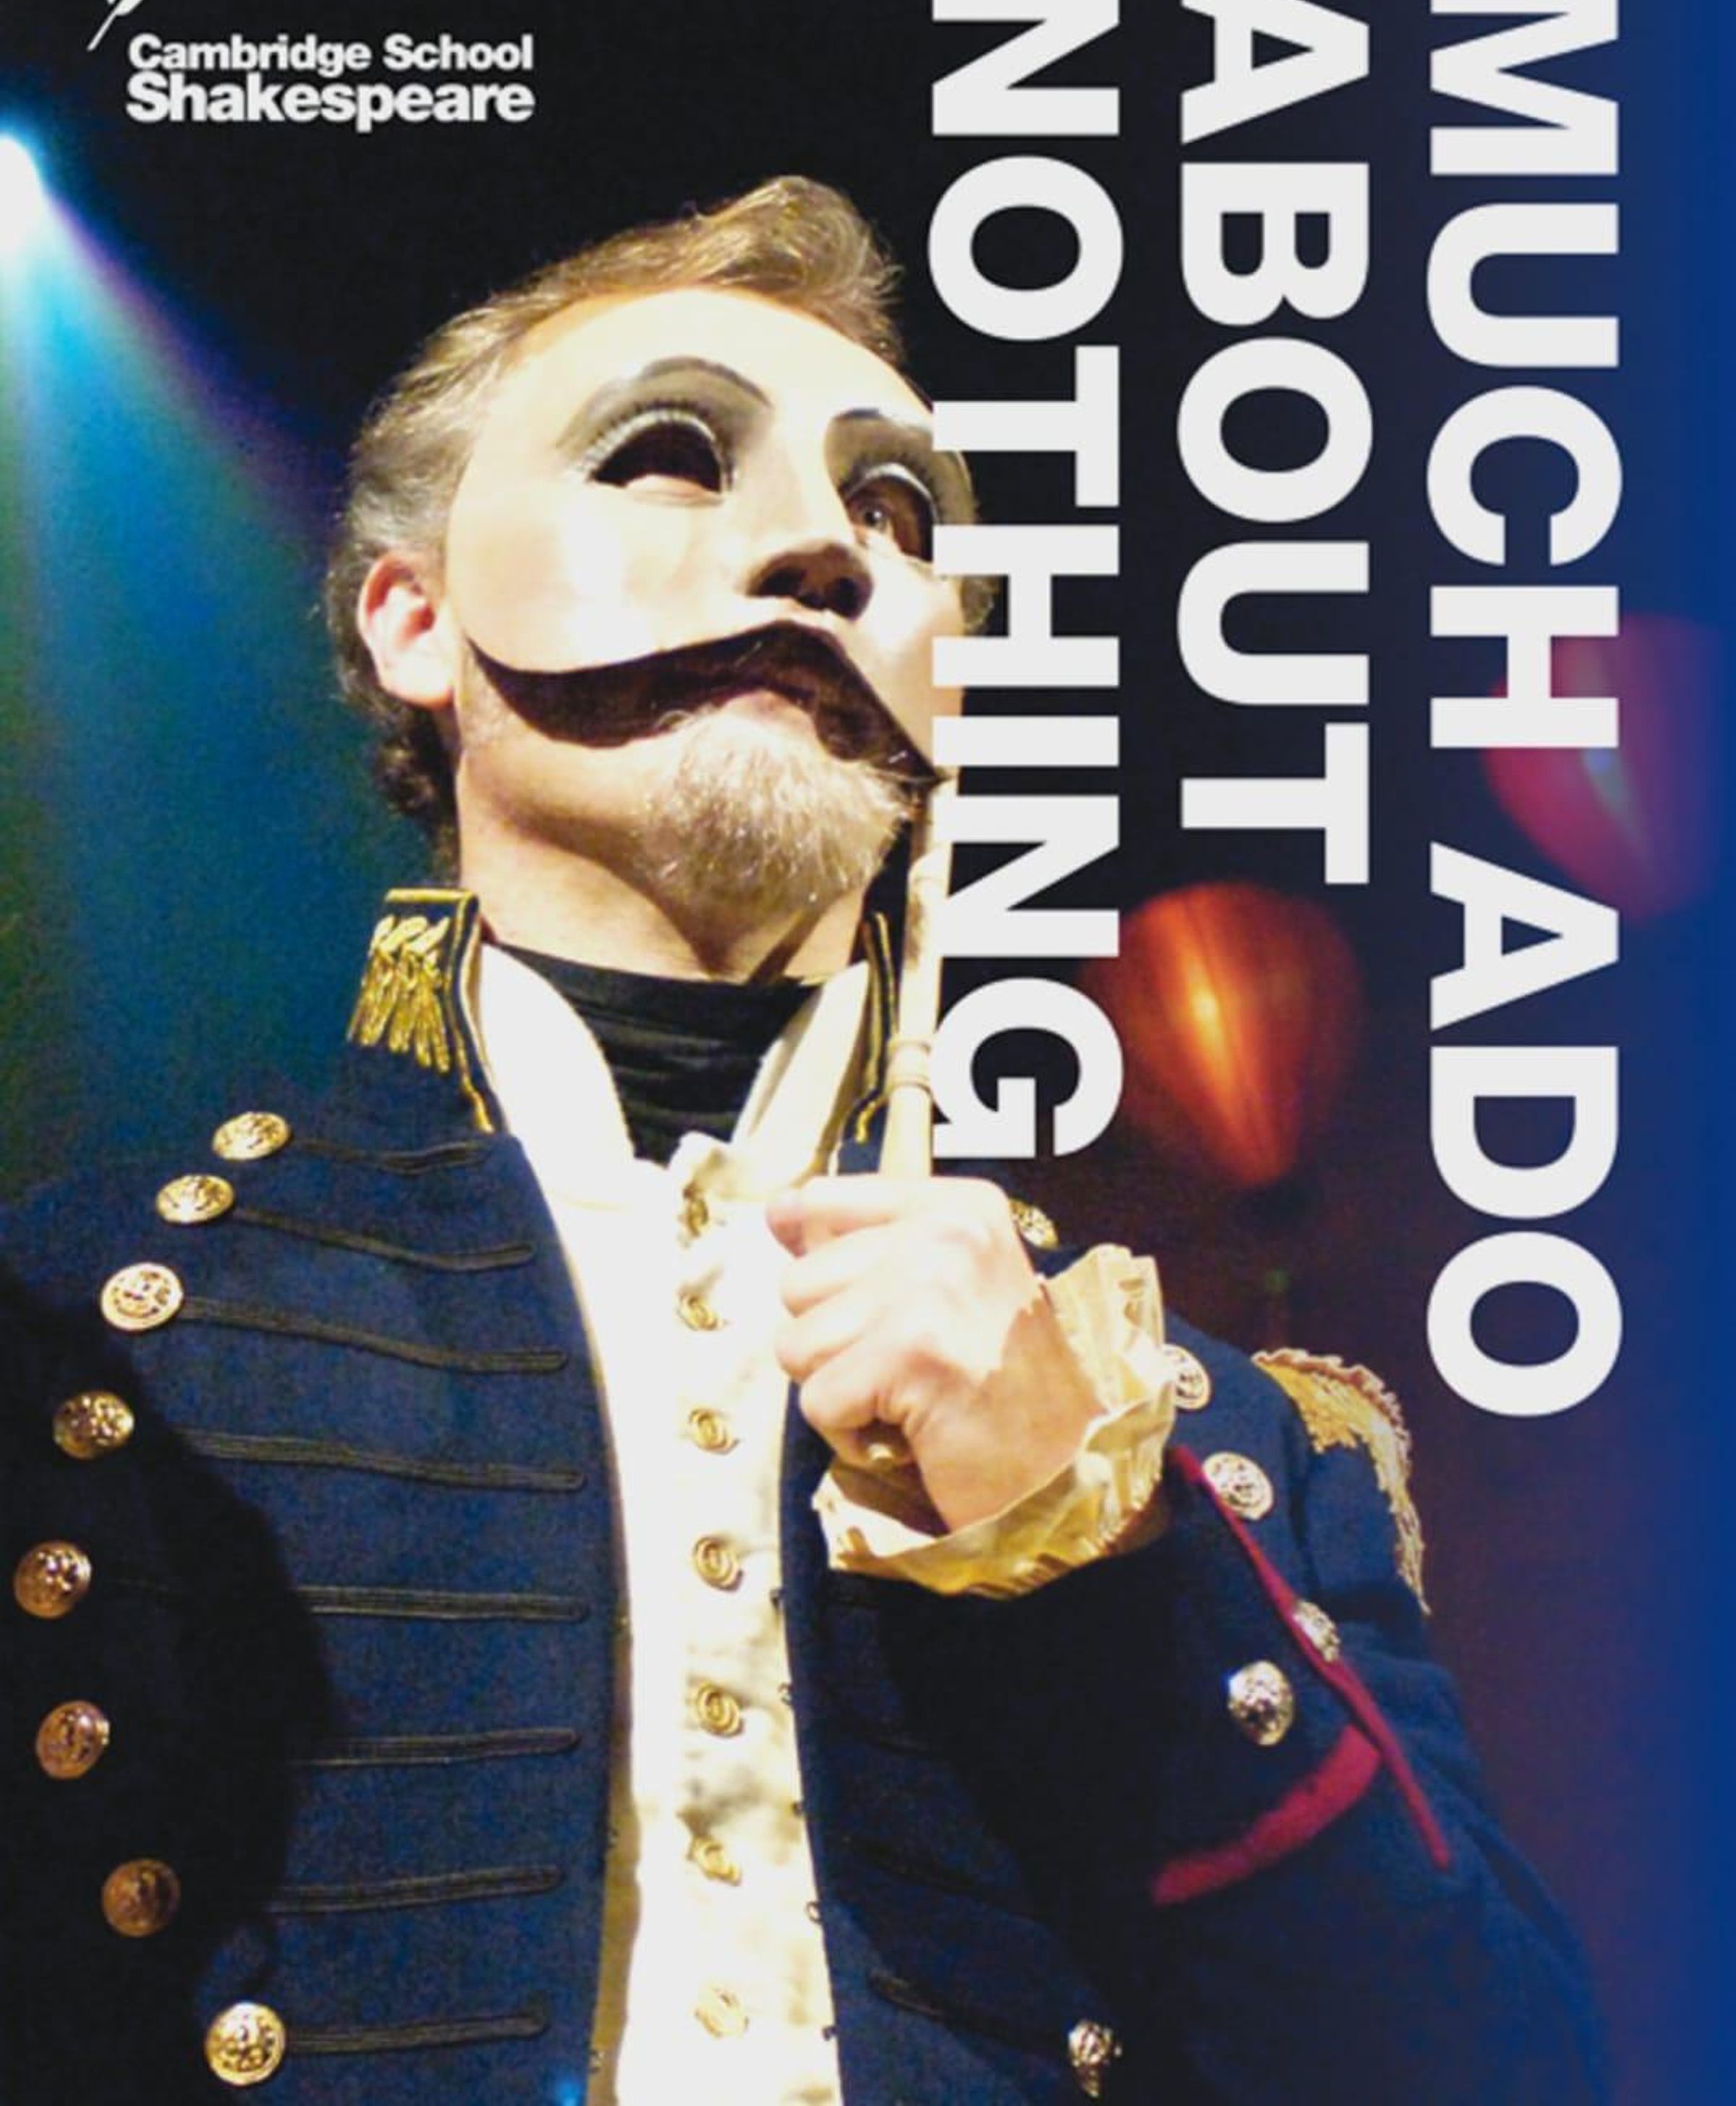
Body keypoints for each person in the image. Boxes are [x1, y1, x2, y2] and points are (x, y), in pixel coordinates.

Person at [0, 177, 1602, 2105]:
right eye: (669, 458)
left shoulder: (1234, 1445)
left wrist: (1098, 1553)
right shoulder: (75, 1341)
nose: (826, 547)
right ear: (414, 619)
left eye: (899, 514)